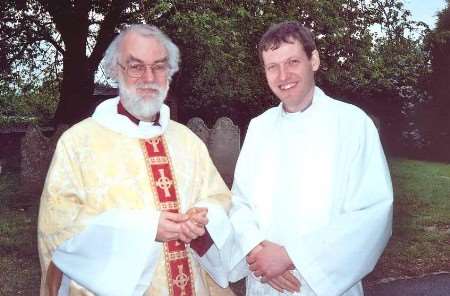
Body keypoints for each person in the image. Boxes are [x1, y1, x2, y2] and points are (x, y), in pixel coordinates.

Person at [38, 24, 234, 296]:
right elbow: (58, 231)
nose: (149, 77)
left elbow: (219, 199)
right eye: (136, 66)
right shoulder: (78, 144)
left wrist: (202, 223)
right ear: (116, 70)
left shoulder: (188, 141)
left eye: (159, 66)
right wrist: (146, 229)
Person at [228, 21, 393, 296]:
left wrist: (291, 256)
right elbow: (240, 201)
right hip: (265, 282)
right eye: (272, 66)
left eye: (292, 61)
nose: (283, 75)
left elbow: (372, 212)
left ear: (313, 59)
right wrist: (256, 250)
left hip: (326, 284)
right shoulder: (259, 127)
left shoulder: (352, 123)